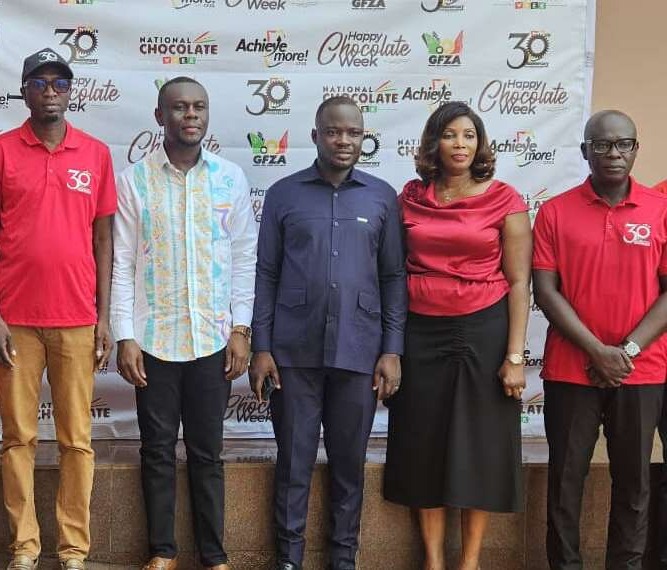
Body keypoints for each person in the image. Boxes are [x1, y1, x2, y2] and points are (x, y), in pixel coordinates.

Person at [249, 96, 406, 570]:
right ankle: (289, 559)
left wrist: (392, 349)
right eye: (334, 132)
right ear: (315, 136)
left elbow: (393, 276)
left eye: (353, 133)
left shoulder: (381, 197)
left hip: (359, 351)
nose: (343, 140)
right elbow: (266, 274)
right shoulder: (284, 194)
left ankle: (343, 559)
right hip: (293, 353)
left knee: (348, 465)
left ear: (364, 137)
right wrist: (262, 347)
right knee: (293, 463)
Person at [0, 48, 115, 570]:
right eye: (40, 82)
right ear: (24, 91)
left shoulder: (95, 154)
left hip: (77, 320)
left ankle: (73, 549)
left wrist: (104, 317)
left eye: (60, 82)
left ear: (71, 91)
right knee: (18, 438)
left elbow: (104, 239)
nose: (51, 91)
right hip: (15, 322)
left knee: (77, 440)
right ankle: (24, 546)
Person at [112, 76, 256, 570]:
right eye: (179, 107)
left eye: (198, 107)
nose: (190, 115)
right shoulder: (134, 181)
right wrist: (126, 335)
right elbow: (122, 263)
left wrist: (241, 329)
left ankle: (214, 556)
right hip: (154, 340)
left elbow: (244, 258)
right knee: (156, 450)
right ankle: (162, 552)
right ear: (160, 116)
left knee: (207, 452)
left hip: (212, 340)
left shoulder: (229, 179)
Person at [383, 101, 532, 570]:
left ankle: (469, 563)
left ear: (480, 144)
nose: (460, 144)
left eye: (469, 135)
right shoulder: (409, 197)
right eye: (450, 135)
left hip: (483, 331)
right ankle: (433, 561)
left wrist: (514, 356)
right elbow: (392, 269)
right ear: (434, 143)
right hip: (419, 332)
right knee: (422, 442)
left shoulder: (505, 199)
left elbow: (520, 283)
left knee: (479, 445)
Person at [533, 110, 667, 570]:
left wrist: (624, 352)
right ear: (585, 151)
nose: (614, 153)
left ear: (636, 149)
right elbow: (545, 291)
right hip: (571, 369)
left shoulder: (660, 208)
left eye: (623, 144)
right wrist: (596, 351)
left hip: (642, 370)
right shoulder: (554, 211)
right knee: (565, 483)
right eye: (602, 145)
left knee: (634, 484)